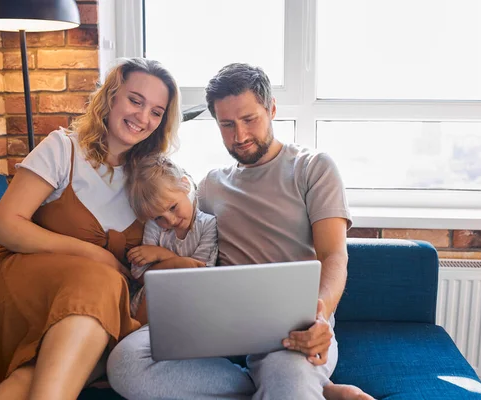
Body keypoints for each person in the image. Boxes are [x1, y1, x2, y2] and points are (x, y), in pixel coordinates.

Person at [107, 63, 374, 400]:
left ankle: (295, 386)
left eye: (250, 120)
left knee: (287, 377)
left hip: (292, 323)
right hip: (218, 319)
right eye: (227, 125)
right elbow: (174, 217)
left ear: (272, 108)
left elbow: (334, 255)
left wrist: (320, 315)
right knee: (126, 364)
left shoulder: (313, 168)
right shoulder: (209, 186)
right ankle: (315, 392)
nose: (240, 136)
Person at [0, 58, 181, 400]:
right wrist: (95, 254)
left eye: (156, 111)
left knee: (46, 371)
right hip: (20, 294)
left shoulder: (151, 178)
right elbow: (3, 225)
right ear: (111, 96)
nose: (143, 117)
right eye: (135, 101)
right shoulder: (63, 148)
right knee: (103, 279)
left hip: (91, 316)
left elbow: (188, 224)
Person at [125, 155, 218, 322]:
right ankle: (136, 329)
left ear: (185, 185)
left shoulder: (207, 224)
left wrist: (163, 256)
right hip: (151, 299)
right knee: (159, 286)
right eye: (158, 217)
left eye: (173, 207)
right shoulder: (154, 226)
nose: (170, 221)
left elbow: (196, 272)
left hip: (190, 296)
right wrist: (179, 264)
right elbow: (140, 276)